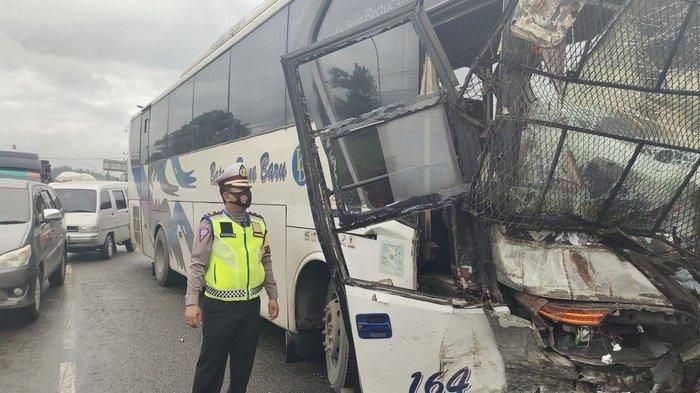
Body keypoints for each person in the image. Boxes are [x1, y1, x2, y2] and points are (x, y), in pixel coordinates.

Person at [185, 162, 279, 393]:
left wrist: (273, 295)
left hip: (250, 307)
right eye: (240, 192)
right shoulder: (211, 223)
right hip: (218, 308)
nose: (246, 196)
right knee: (211, 366)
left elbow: (265, 260)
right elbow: (197, 264)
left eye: (247, 190)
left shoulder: (259, 223)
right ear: (226, 195)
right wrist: (191, 302)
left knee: (243, 367)